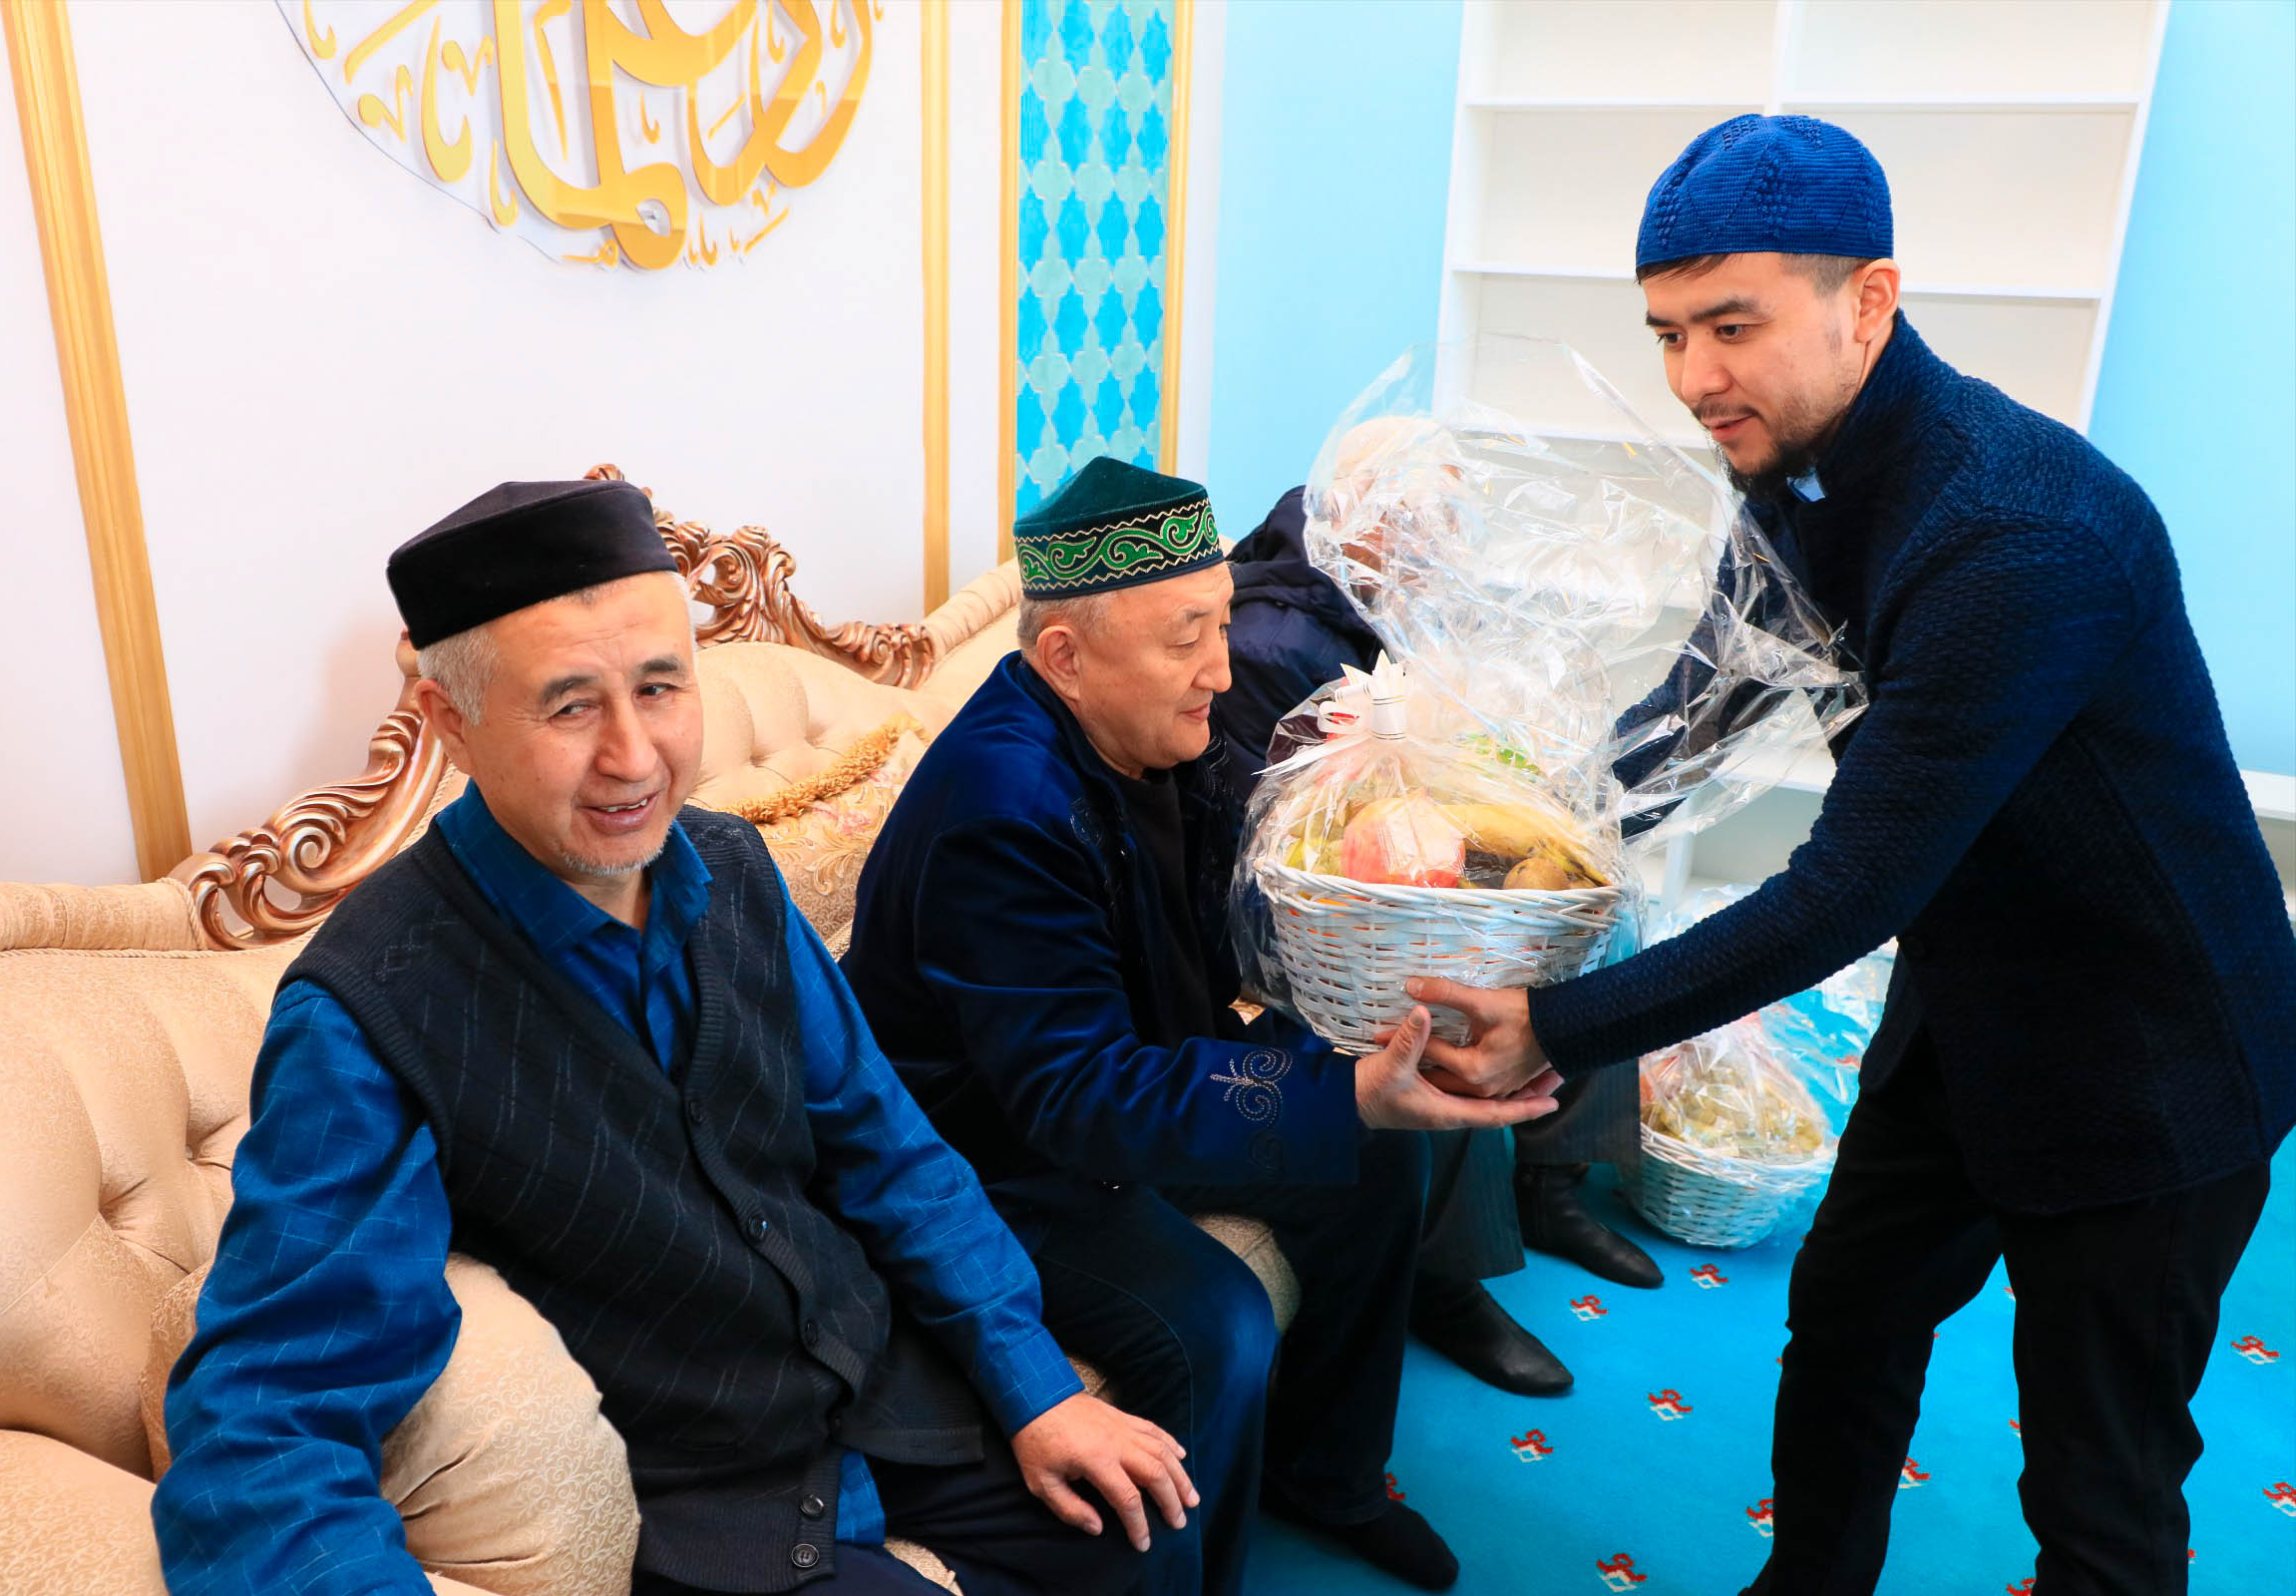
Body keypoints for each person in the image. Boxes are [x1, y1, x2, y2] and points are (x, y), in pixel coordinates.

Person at [1406, 117, 2296, 1596]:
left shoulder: (2016, 532)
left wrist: (1552, 1026)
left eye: (1732, 326)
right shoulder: (1797, 467)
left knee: (2100, 1472)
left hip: (2150, 1058)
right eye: (1669, 334)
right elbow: (1695, 710)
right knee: (1848, 1321)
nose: (1694, 379)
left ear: (1869, 300)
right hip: (1970, 1003)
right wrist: (1498, 838)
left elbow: (1850, 888)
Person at [152, 479, 1198, 1596]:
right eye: (568, 707)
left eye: (660, 687)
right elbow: (271, 1415)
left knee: (1148, 1526)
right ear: (451, 723)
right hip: (712, 1497)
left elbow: (889, 1150)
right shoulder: (370, 1009)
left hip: (884, 1392)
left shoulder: (730, 869)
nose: (635, 757)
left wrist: (1038, 1387)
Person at [840, 457, 1566, 1595]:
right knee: (1214, 1323)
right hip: (990, 1152)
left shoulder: (1160, 733)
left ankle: (1328, 1480)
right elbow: (1077, 1097)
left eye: (1222, 624)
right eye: (1188, 639)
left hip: (1123, 1074)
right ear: (1065, 657)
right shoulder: (1003, 809)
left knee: (1376, 1157)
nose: (1222, 671)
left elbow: (1262, 890)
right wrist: (1341, 1089)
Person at [1216, 447, 1663, 1401]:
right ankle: (1448, 1282)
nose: (1453, 554)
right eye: (1436, 532)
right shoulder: (1269, 642)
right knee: (1442, 991)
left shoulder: (1373, 593)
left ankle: (1551, 1181)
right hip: (1305, 921)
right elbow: (1273, 831)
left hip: (1391, 871)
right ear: (1370, 526)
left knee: (1597, 917)